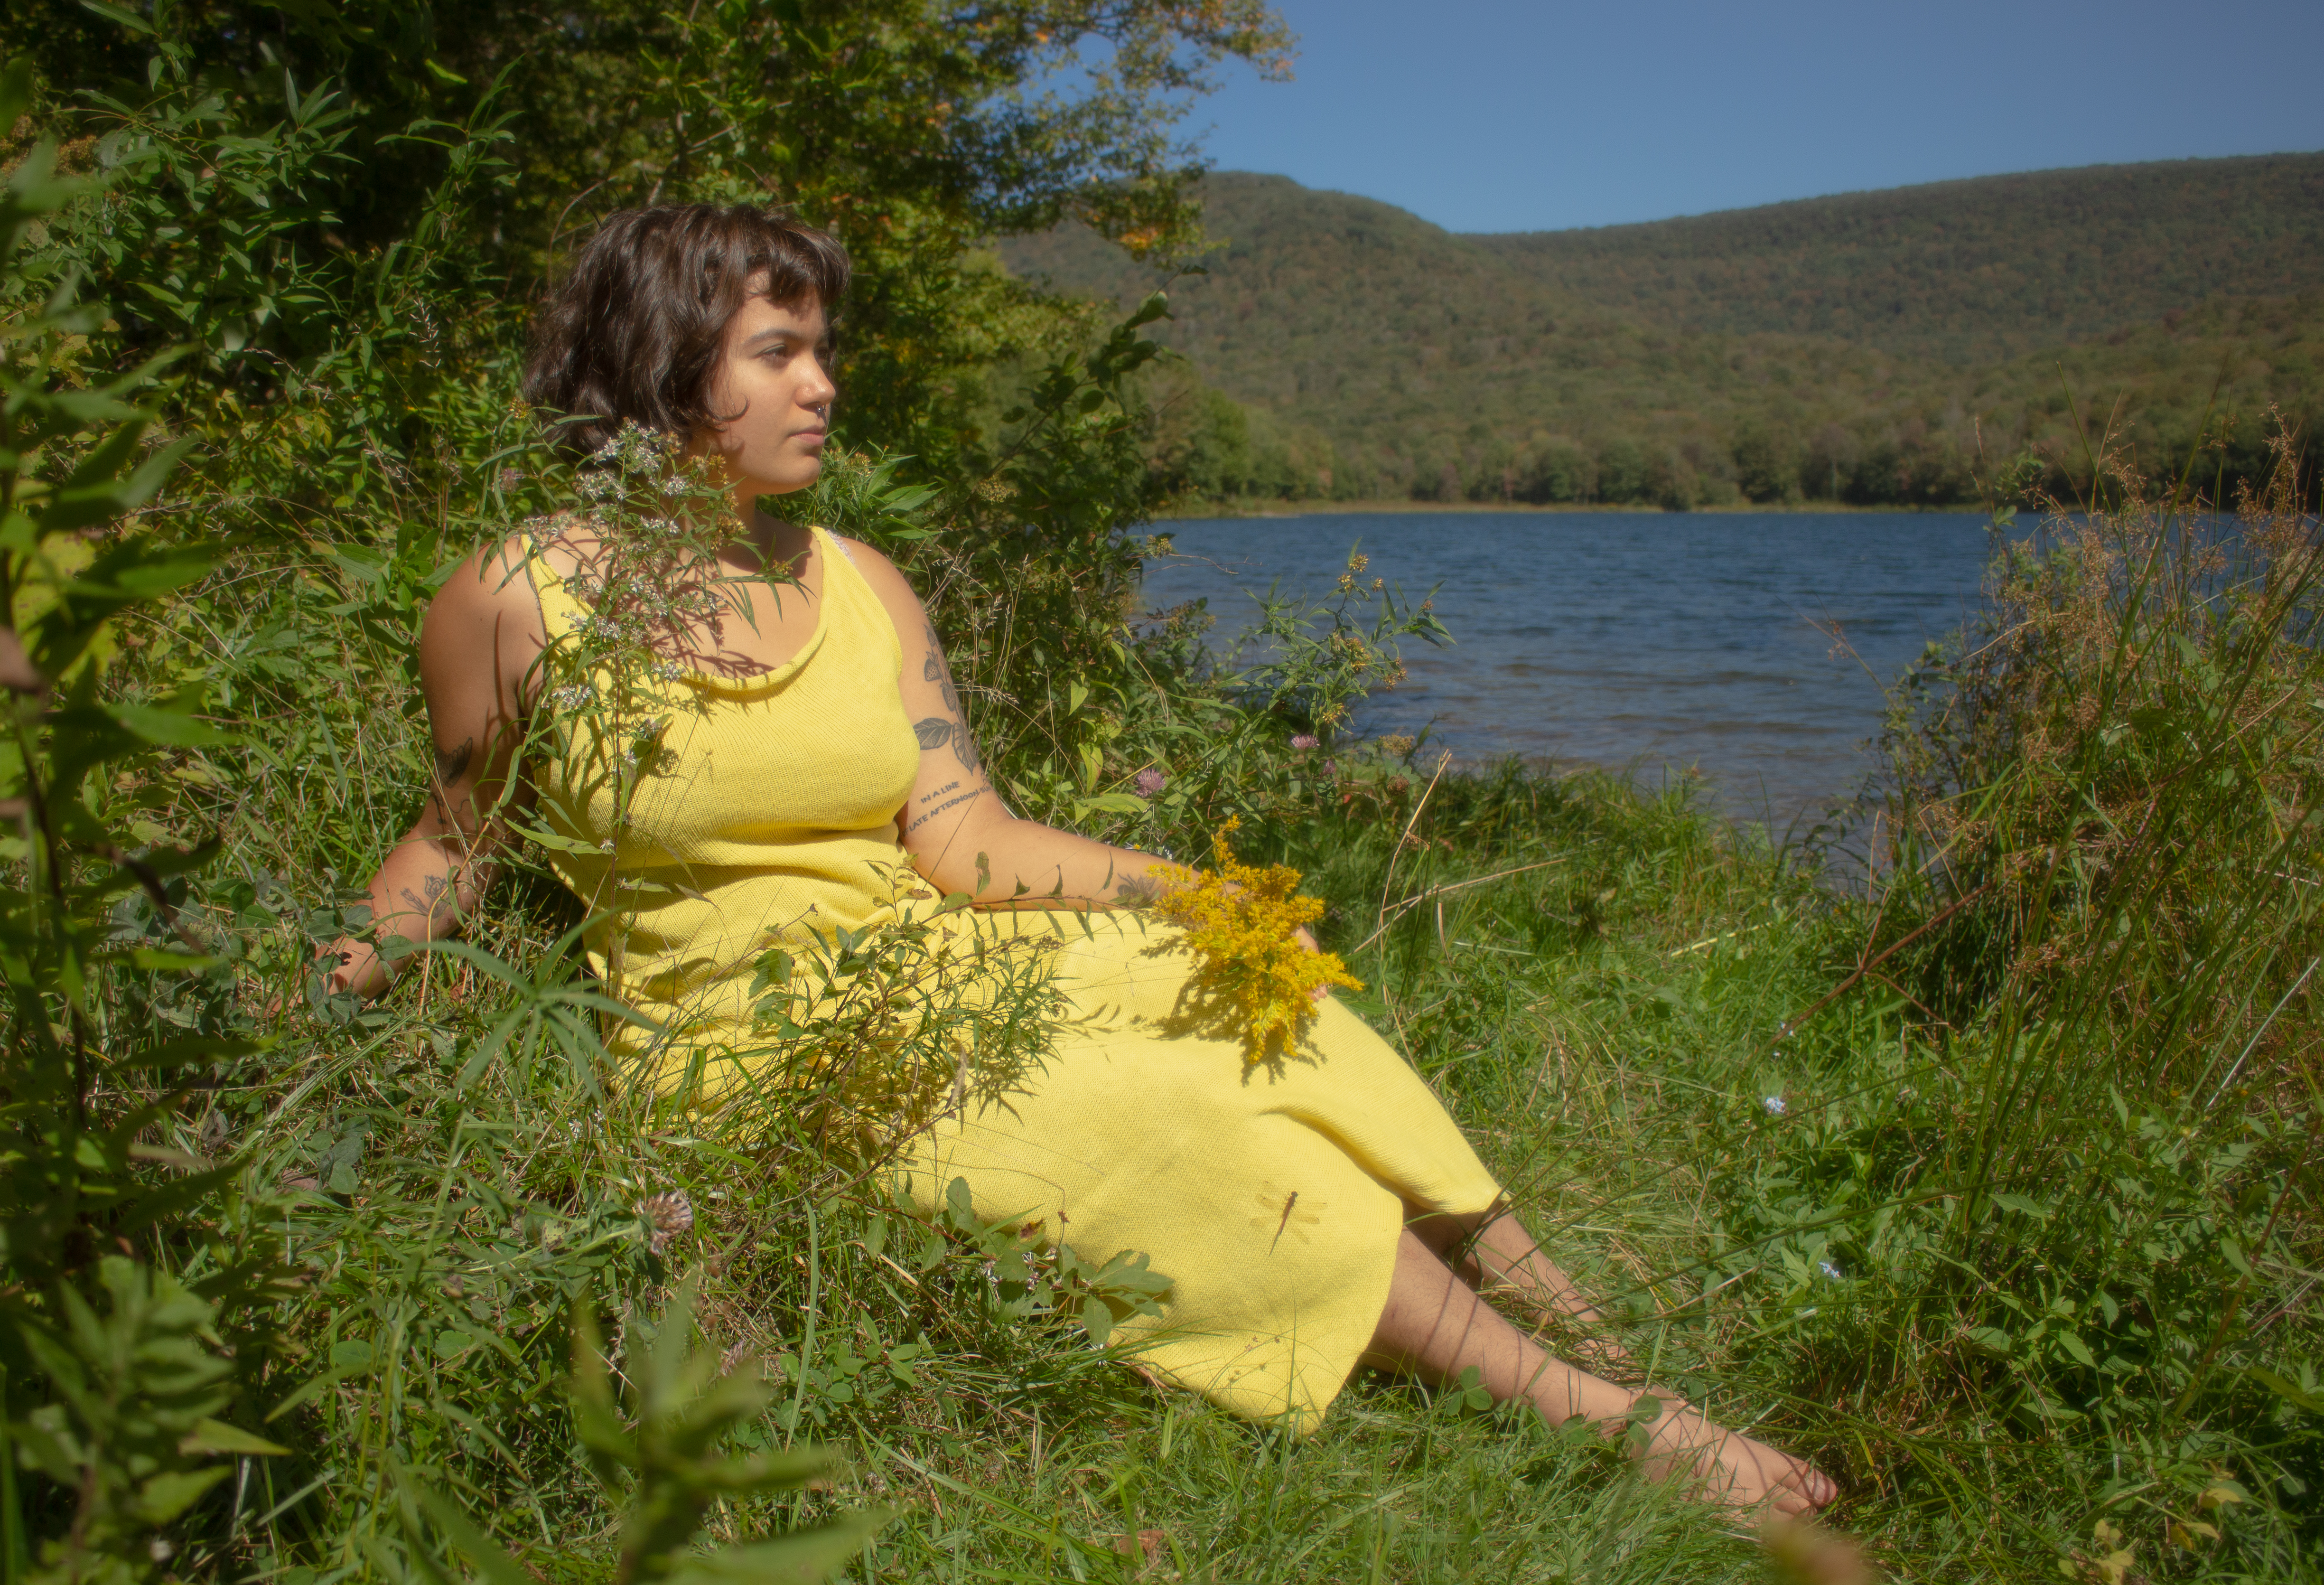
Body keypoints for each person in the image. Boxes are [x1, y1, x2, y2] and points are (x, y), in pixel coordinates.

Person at [318, 203, 1834, 1520]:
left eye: (823, 346)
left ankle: (1592, 1325)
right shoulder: (516, 598)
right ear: (661, 357)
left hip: (934, 944)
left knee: (1255, 984)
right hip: (755, 1028)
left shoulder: (860, 581)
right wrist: (300, 998)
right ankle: (1612, 1423)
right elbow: (460, 841)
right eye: (778, 349)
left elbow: (964, 838)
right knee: (1158, 1105)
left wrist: (1190, 891)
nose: (824, 384)